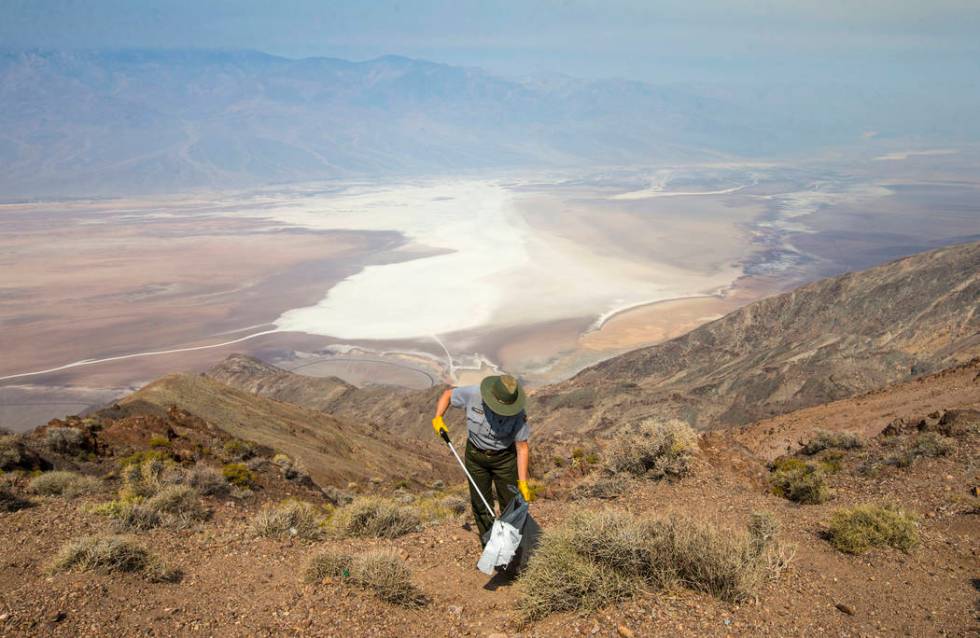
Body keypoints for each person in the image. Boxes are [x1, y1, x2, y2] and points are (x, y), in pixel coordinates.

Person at [432, 374, 532, 542]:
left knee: (511, 504)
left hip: (504, 460)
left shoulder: (518, 414)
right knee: (480, 504)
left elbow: (522, 447)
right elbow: (448, 394)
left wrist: (523, 482)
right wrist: (438, 417)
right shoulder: (474, 394)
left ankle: (511, 543)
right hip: (475, 457)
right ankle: (489, 543)